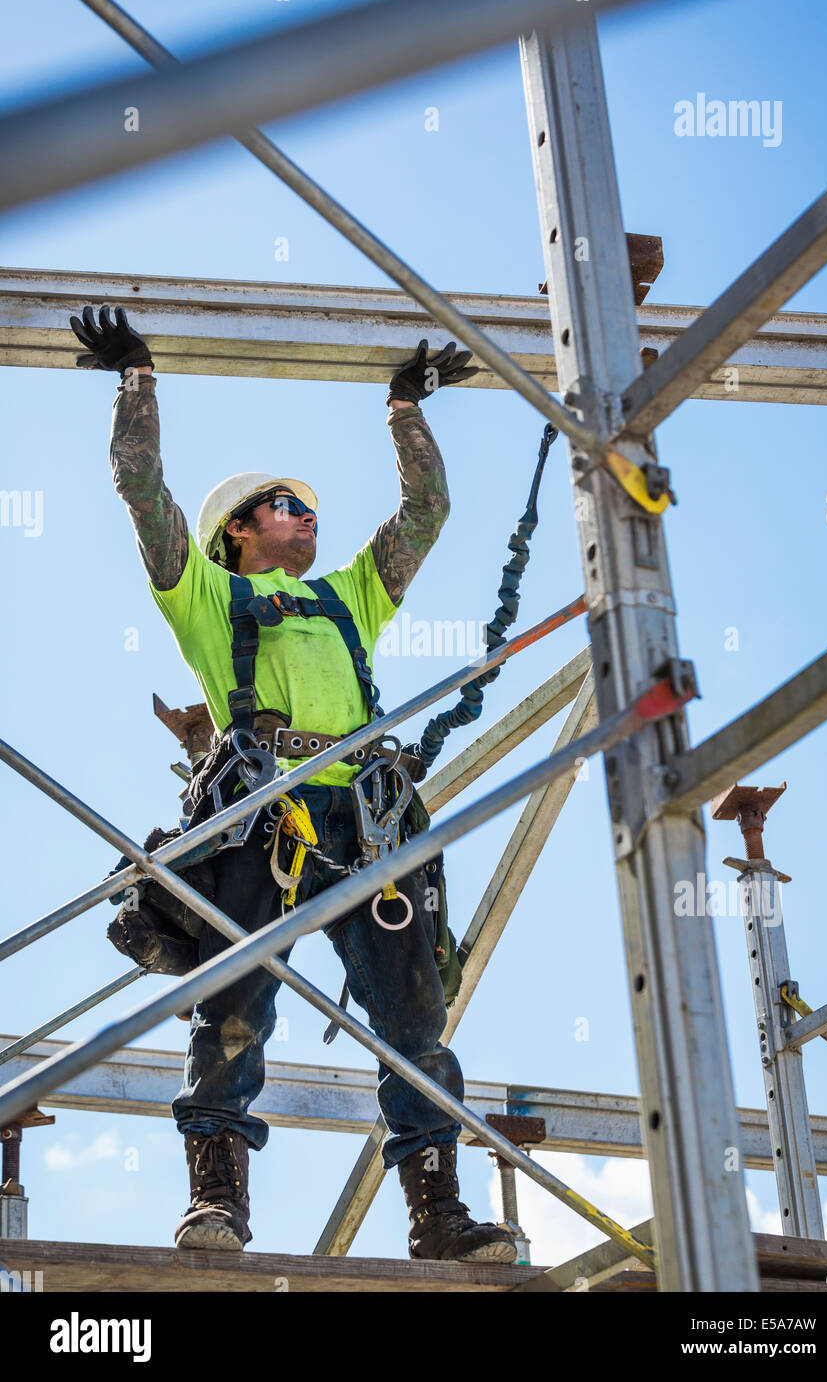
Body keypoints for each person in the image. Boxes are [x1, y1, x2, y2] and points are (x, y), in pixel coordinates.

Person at [70, 305, 516, 1265]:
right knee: (232, 1009)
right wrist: (135, 382)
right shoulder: (207, 593)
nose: (306, 515)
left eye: (307, 505)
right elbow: (144, 495)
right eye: (282, 504)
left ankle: (437, 1216)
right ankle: (217, 1202)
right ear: (235, 532)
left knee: (414, 1026)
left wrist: (406, 408)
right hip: (259, 818)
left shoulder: (347, 597)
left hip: (363, 821)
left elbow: (427, 512)